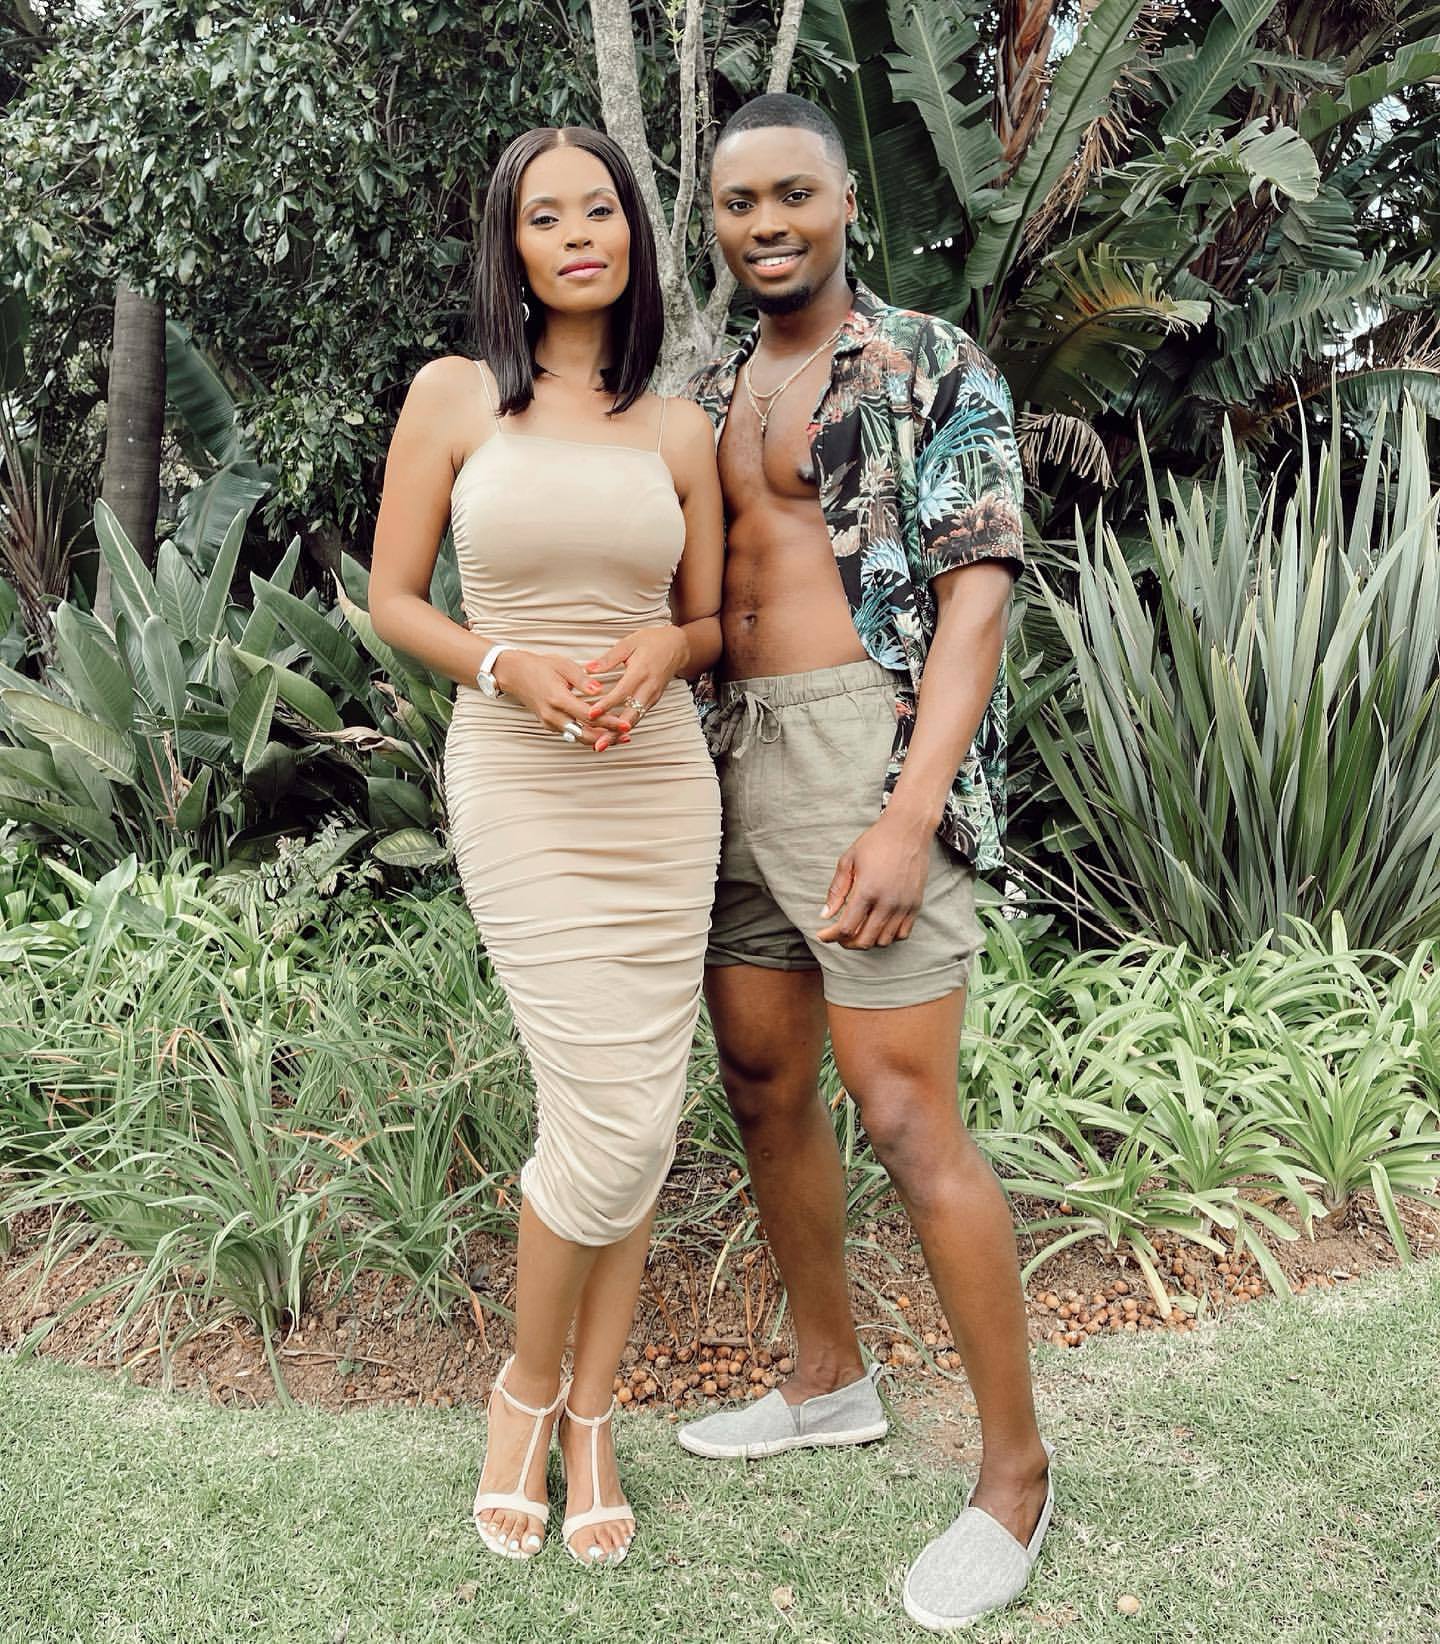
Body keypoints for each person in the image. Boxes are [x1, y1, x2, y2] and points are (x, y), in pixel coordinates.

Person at [675, 93, 1055, 1631]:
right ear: (714, 222)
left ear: (844, 201)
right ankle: (827, 1378)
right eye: (739, 203)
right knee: (766, 1081)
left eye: (794, 195)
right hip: (728, 751)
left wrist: (909, 810)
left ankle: (1014, 1477)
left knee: (903, 1111)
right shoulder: (712, 384)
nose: (767, 224)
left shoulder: (928, 360)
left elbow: (978, 596)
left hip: (864, 746)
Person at [368, 124, 723, 1570]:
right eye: (546, 216)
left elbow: (715, 622)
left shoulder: (679, 428)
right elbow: (395, 596)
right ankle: (526, 1393)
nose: (579, 235)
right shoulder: (454, 397)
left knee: (640, 1117)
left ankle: (591, 1414)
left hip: (656, 793)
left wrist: (667, 649)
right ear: (511, 249)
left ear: (634, 232)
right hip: (522, 780)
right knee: (609, 1115)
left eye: (601, 210)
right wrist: (505, 663)